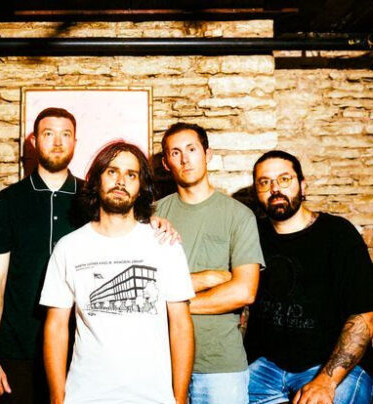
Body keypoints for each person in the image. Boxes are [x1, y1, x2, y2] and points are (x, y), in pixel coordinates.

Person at [0, 108, 177, 402]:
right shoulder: (11, 198)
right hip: (18, 347)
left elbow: (126, 227)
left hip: (80, 350)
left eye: (66, 134)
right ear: (33, 141)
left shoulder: (94, 195)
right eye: (49, 133)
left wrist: (155, 222)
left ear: (75, 141)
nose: (58, 142)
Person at [40, 141, 195, 404]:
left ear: (141, 187)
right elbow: (56, 326)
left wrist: (179, 399)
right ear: (97, 180)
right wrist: (57, 397)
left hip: (152, 397)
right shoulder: (69, 247)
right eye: (112, 171)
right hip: (85, 396)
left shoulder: (164, 243)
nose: (121, 181)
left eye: (131, 175)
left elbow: (180, 325)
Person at [246, 150, 373, 404]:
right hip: (266, 368)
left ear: (303, 186)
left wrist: (326, 381)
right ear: (256, 192)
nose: (275, 189)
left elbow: (365, 316)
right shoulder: (251, 236)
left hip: (332, 366)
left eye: (284, 179)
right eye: (265, 182)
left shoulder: (337, 234)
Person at [156, 122, 264, 404]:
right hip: (161, 363)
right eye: (175, 153)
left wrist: (169, 302)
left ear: (208, 154)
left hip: (220, 367)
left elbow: (244, 292)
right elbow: (145, 287)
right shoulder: (154, 216)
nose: (185, 159)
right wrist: (205, 279)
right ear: (166, 163)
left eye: (191, 149)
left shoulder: (238, 216)